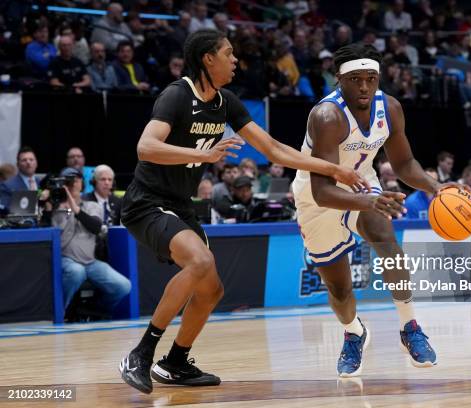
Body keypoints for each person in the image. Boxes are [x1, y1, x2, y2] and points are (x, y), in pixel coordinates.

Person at [118, 29, 369, 394]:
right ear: (208, 58)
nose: (235, 60)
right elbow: (146, 147)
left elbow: (274, 150)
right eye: (229, 54)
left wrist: (332, 168)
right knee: (200, 263)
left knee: (212, 291)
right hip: (146, 202)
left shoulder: (226, 102)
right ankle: (141, 353)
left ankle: (175, 363)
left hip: (180, 206)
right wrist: (202, 155)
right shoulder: (176, 95)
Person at [292, 43, 460, 378]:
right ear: (339, 79)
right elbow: (323, 191)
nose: (365, 86)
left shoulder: (391, 108)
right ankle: (354, 332)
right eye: (356, 79)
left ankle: (409, 326)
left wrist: (436, 187)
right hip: (316, 196)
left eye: (371, 78)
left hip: (361, 182)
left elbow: (404, 163)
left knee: (386, 239)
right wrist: (371, 200)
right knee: (339, 289)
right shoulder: (327, 116)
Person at [48, 167, 131, 313]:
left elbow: (96, 227)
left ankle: (95, 311)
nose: (73, 184)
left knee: (124, 286)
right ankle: (59, 313)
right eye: (69, 181)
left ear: (82, 184)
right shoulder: (56, 210)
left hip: (90, 262)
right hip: (66, 259)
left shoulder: (91, 205)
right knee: (76, 271)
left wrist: (76, 209)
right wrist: (47, 206)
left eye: (76, 180)